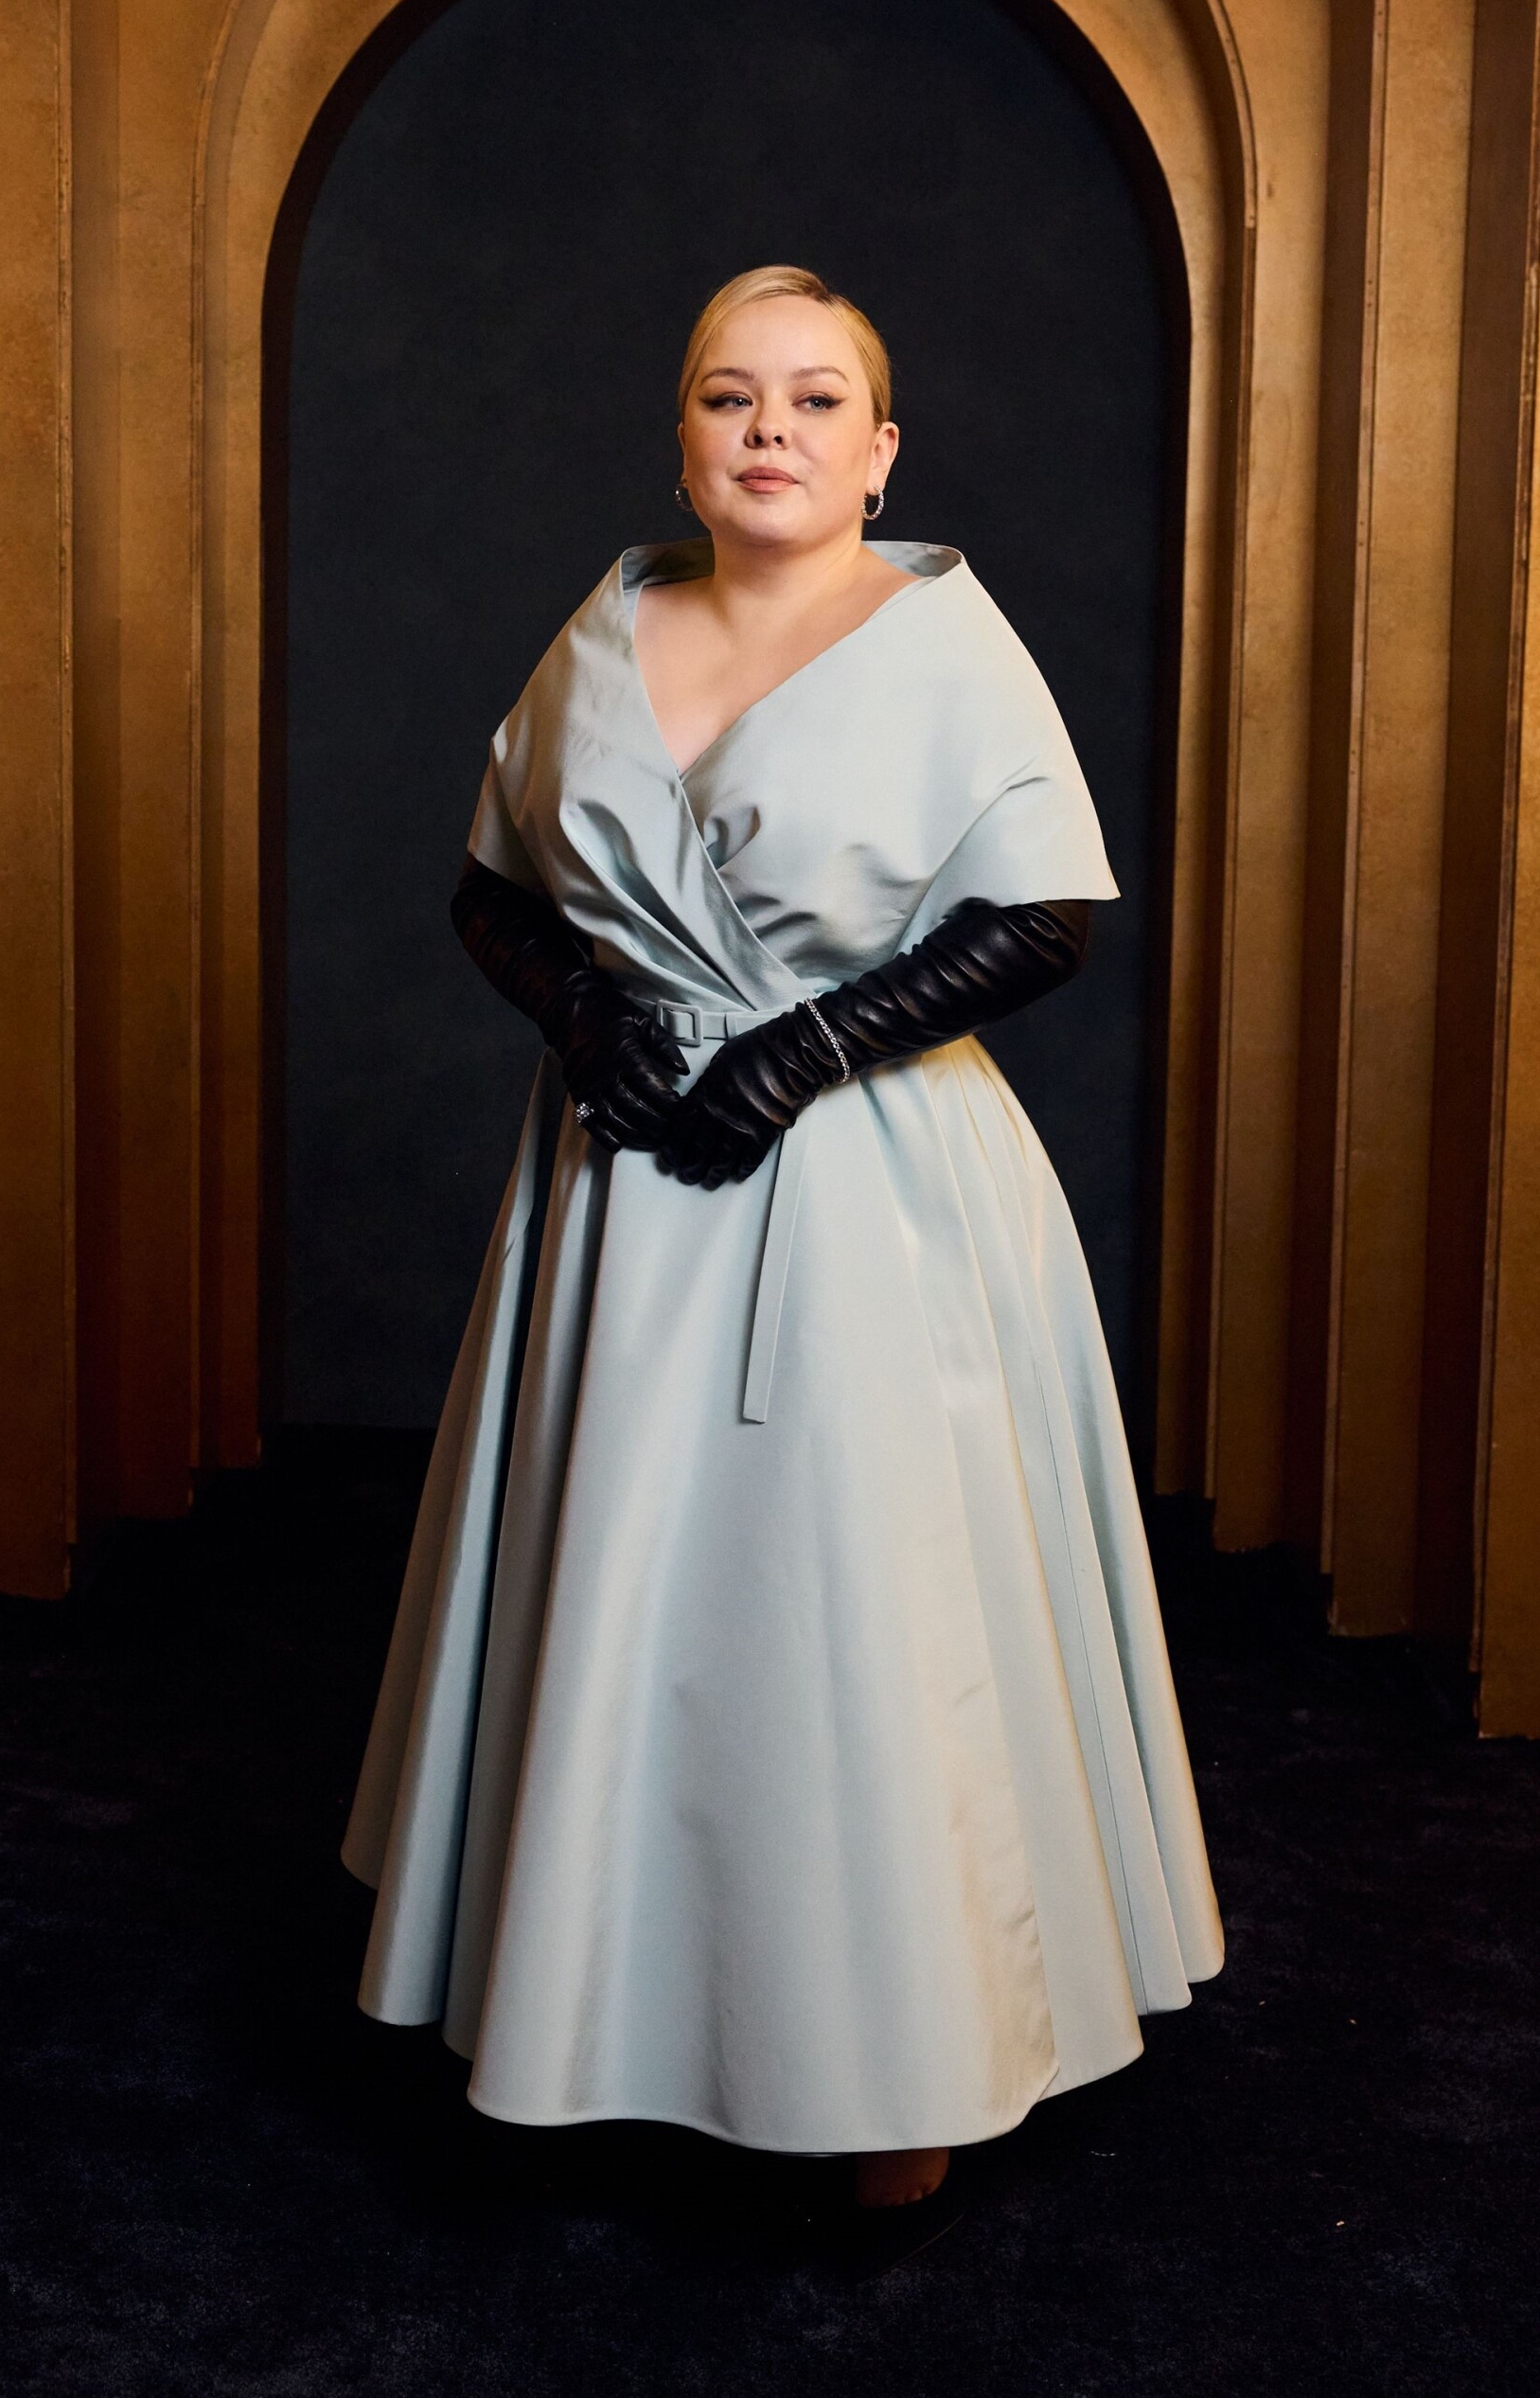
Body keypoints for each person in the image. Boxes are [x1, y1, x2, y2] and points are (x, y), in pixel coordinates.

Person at [342, 265, 1222, 2216]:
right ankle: (598, 2007)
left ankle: (899, 2055)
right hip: (621, 1178)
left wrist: (808, 1049)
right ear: (681, 441)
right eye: (730, 396)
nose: (771, 429)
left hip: (867, 1188)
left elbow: (1047, 916)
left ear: (880, 449)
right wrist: (585, 1018)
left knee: (857, 1612)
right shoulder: (604, 631)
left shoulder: (945, 641)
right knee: (625, 1592)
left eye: (818, 400)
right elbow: (492, 891)